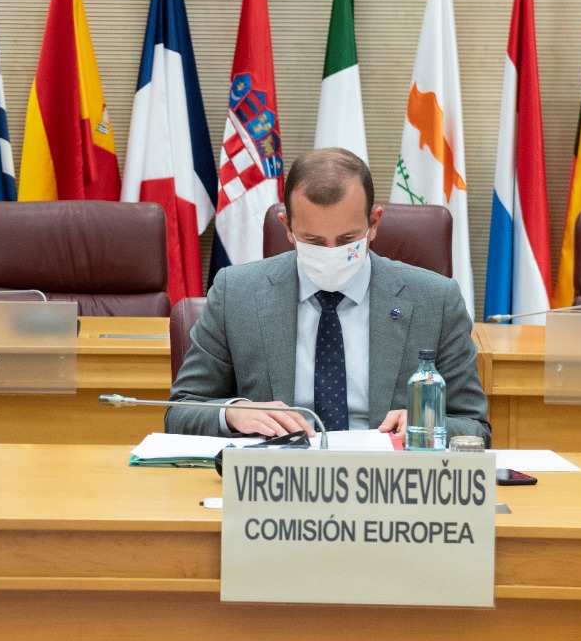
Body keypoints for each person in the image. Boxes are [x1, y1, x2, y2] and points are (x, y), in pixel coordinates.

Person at [166, 147, 489, 442]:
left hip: (387, 478)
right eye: (314, 241)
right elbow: (180, 411)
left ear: (373, 223)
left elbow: (473, 424)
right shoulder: (236, 294)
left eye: (347, 239)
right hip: (278, 475)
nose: (332, 252)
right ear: (287, 228)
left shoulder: (436, 300)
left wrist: (429, 425)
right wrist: (232, 412)